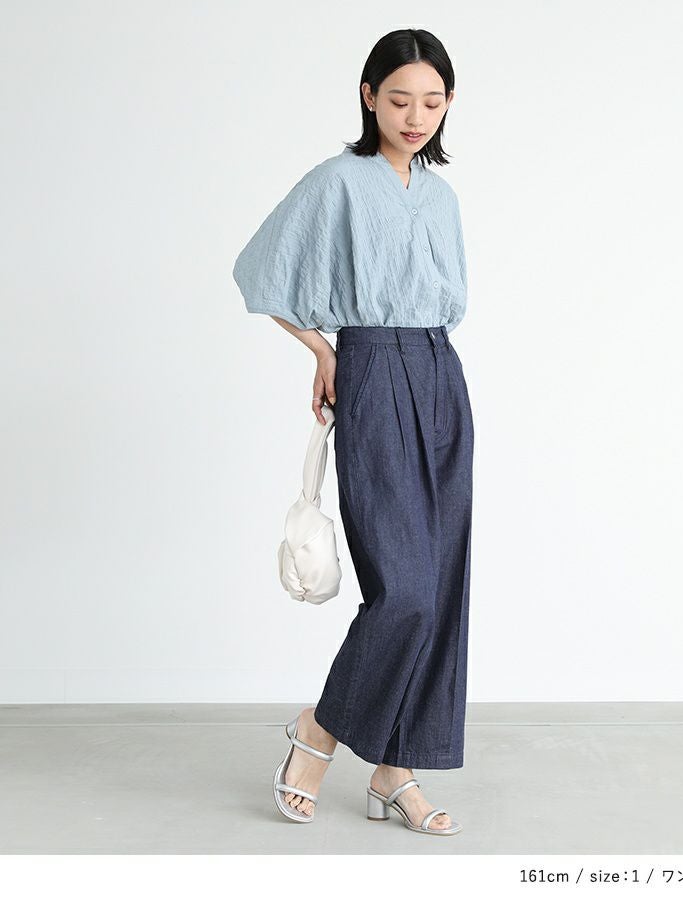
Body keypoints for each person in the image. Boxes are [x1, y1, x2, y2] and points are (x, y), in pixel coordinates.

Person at [233, 28, 473, 836]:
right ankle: (320, 729)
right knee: (402, 588)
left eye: (432, 101)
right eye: (399, 99)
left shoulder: (441, 197)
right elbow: (262, 270)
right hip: (372, 367)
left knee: (440, 588)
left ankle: (396, 769)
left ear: (448, 105)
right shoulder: (338, 181)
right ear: (369, 97)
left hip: (441, 375)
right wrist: (323, 349)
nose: (416, 116)